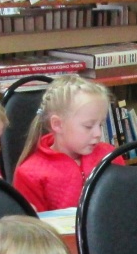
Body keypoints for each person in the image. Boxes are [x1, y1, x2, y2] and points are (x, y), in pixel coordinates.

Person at [12, 75, 123, 211]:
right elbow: (30, 223)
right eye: (88, 126)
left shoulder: (110, 156)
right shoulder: (30, 173)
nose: (98, 133)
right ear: (58, 124)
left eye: (100, 124)